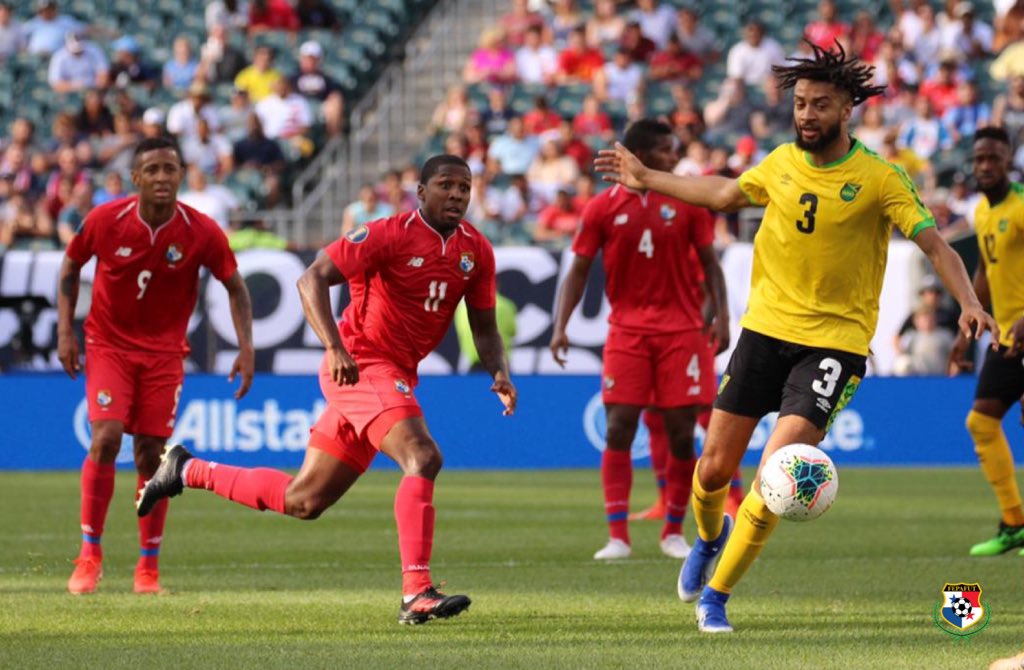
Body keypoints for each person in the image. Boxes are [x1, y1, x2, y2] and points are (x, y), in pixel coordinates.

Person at [595, 41, 997, 633]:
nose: (807, 114)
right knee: (710, 472)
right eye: (801, 103)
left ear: (847, 110)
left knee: (776, 474)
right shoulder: (781, 162)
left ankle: (717, 597)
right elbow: (725, 193)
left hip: (833, 345)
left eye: (820, 104)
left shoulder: (880, 178)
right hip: (763, 333)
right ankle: (710, 541)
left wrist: (967, 300)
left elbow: (934, 243)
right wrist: (649, 177)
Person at [136, 154, 517, 625]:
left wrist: (498, 371)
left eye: (464, 186)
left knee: (304, 500)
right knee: (422, 456)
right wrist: (334, 347)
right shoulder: (386, 233)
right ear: (421, 192)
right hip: (362, 366)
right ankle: (416, 591)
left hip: (393, 372)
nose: (457, 194)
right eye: (446, 185)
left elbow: (483, 326)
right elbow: (311, 277)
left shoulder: (475, 249)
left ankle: (188, 469)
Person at [56, 136, 254, 596]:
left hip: (164, 354)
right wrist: (67, 332)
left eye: (171, 169)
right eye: (153, 170)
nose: (163, 177)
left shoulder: (200, 230)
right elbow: (69, 268)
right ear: (136, 178)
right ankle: (89, 555)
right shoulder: (106, 220)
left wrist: (247, 347)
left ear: (181, 175)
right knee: (105, 437)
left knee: (151, 455)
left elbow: (236, 286)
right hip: (108, 345)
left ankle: (147, 570)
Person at [552, 119, 729, 561]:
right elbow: (577, 271)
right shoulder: (601, 208)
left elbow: (711, 265)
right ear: (644, 154)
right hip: (627, 332)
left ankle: (673, 530)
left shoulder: (688, 203)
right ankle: (617, 536)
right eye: (668, 150)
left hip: (683, 332)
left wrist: (722, 317)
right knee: (618, 427)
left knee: (681, 433)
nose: (675, 157)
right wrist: (561, 325)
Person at [949, 126, 1024, 556]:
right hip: (1007, 336)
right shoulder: (981, 212)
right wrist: (967, 326)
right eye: (979, 159)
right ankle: (1015, 522)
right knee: (981, 422)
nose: (985, 166)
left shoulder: (1020, 206)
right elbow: (986, 272)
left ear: (1008, 160)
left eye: (993, 158)